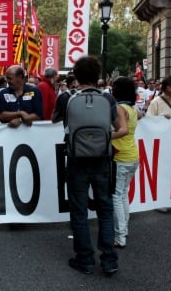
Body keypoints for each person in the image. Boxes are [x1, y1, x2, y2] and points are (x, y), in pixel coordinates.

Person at [54, 56, 120, 276]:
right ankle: (109, 259)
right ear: (97, 75)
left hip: (76, 160)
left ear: (76, 75)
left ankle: (85, 259)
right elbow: (117, 125)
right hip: (102, 159)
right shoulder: (108, 99)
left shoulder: (67, 97)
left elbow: (55, 119)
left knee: (79, 210)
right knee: (105, 208)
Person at [146, 75, 171, 215]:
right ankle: (161, 201)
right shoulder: (156, 102)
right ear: (168, 88)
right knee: (162, 174)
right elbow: (148, 122)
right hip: (163, 146)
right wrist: (161, 120)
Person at [110, 76, 140, 249]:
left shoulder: (120, 108)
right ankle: (124, 230)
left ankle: (120, 236)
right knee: (123, 195)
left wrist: (106, 136)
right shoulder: (132, 109)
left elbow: (123, 130)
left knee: (116, 196)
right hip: (132, 156)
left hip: (121, 157)